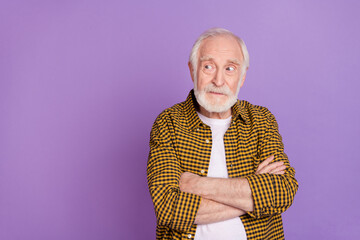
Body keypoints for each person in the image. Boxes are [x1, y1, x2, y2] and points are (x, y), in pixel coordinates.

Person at [147, 28, 298, 240]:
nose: (218, 80)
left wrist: (196, 184)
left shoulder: (262, 120)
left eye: (230, 68)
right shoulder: (169, 122)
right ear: (192, 70)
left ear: (242, 77)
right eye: (208, 66)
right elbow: (168, 209)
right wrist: (254, 193)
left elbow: (283, 192)